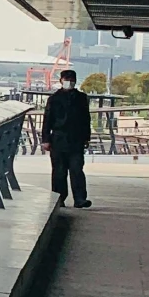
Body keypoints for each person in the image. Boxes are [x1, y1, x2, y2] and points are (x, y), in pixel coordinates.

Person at [41, 67, 93, 209]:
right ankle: (59, 198)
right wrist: (45, 139)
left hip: (76, 139)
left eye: (71, 80)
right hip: (58, 138)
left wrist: (86, 137)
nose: (69, 82)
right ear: (61, 81)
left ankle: (80, 199)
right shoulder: (54, 99)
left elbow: (86, 119)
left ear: (75, 81)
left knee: (77, 169)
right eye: (67, 80)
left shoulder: (81, 98)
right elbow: (47, 119)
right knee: (59, 171)